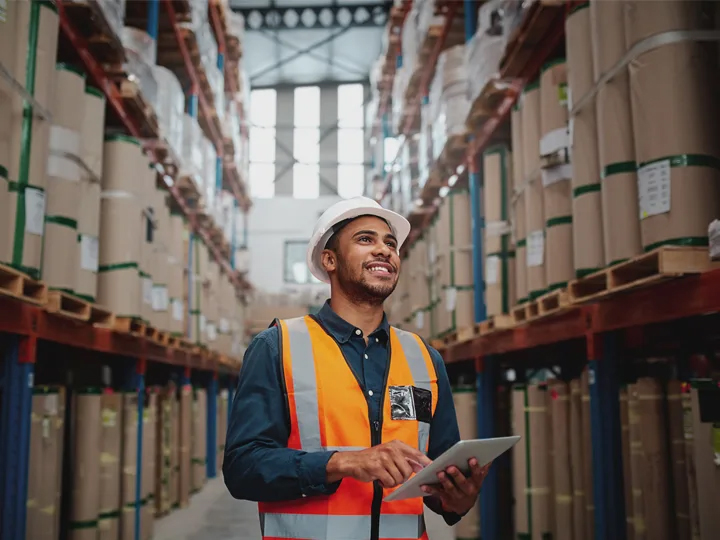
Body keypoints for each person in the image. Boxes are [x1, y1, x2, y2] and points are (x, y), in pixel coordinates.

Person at [223, 197, 490, 540]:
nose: (384, 250)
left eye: (390, 243)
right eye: (366, 239)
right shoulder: (278, 347)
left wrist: (458, 498)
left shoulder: (424, 357)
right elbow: (243, 468)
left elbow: (438, 477)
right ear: (329, 260)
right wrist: (343, 463)